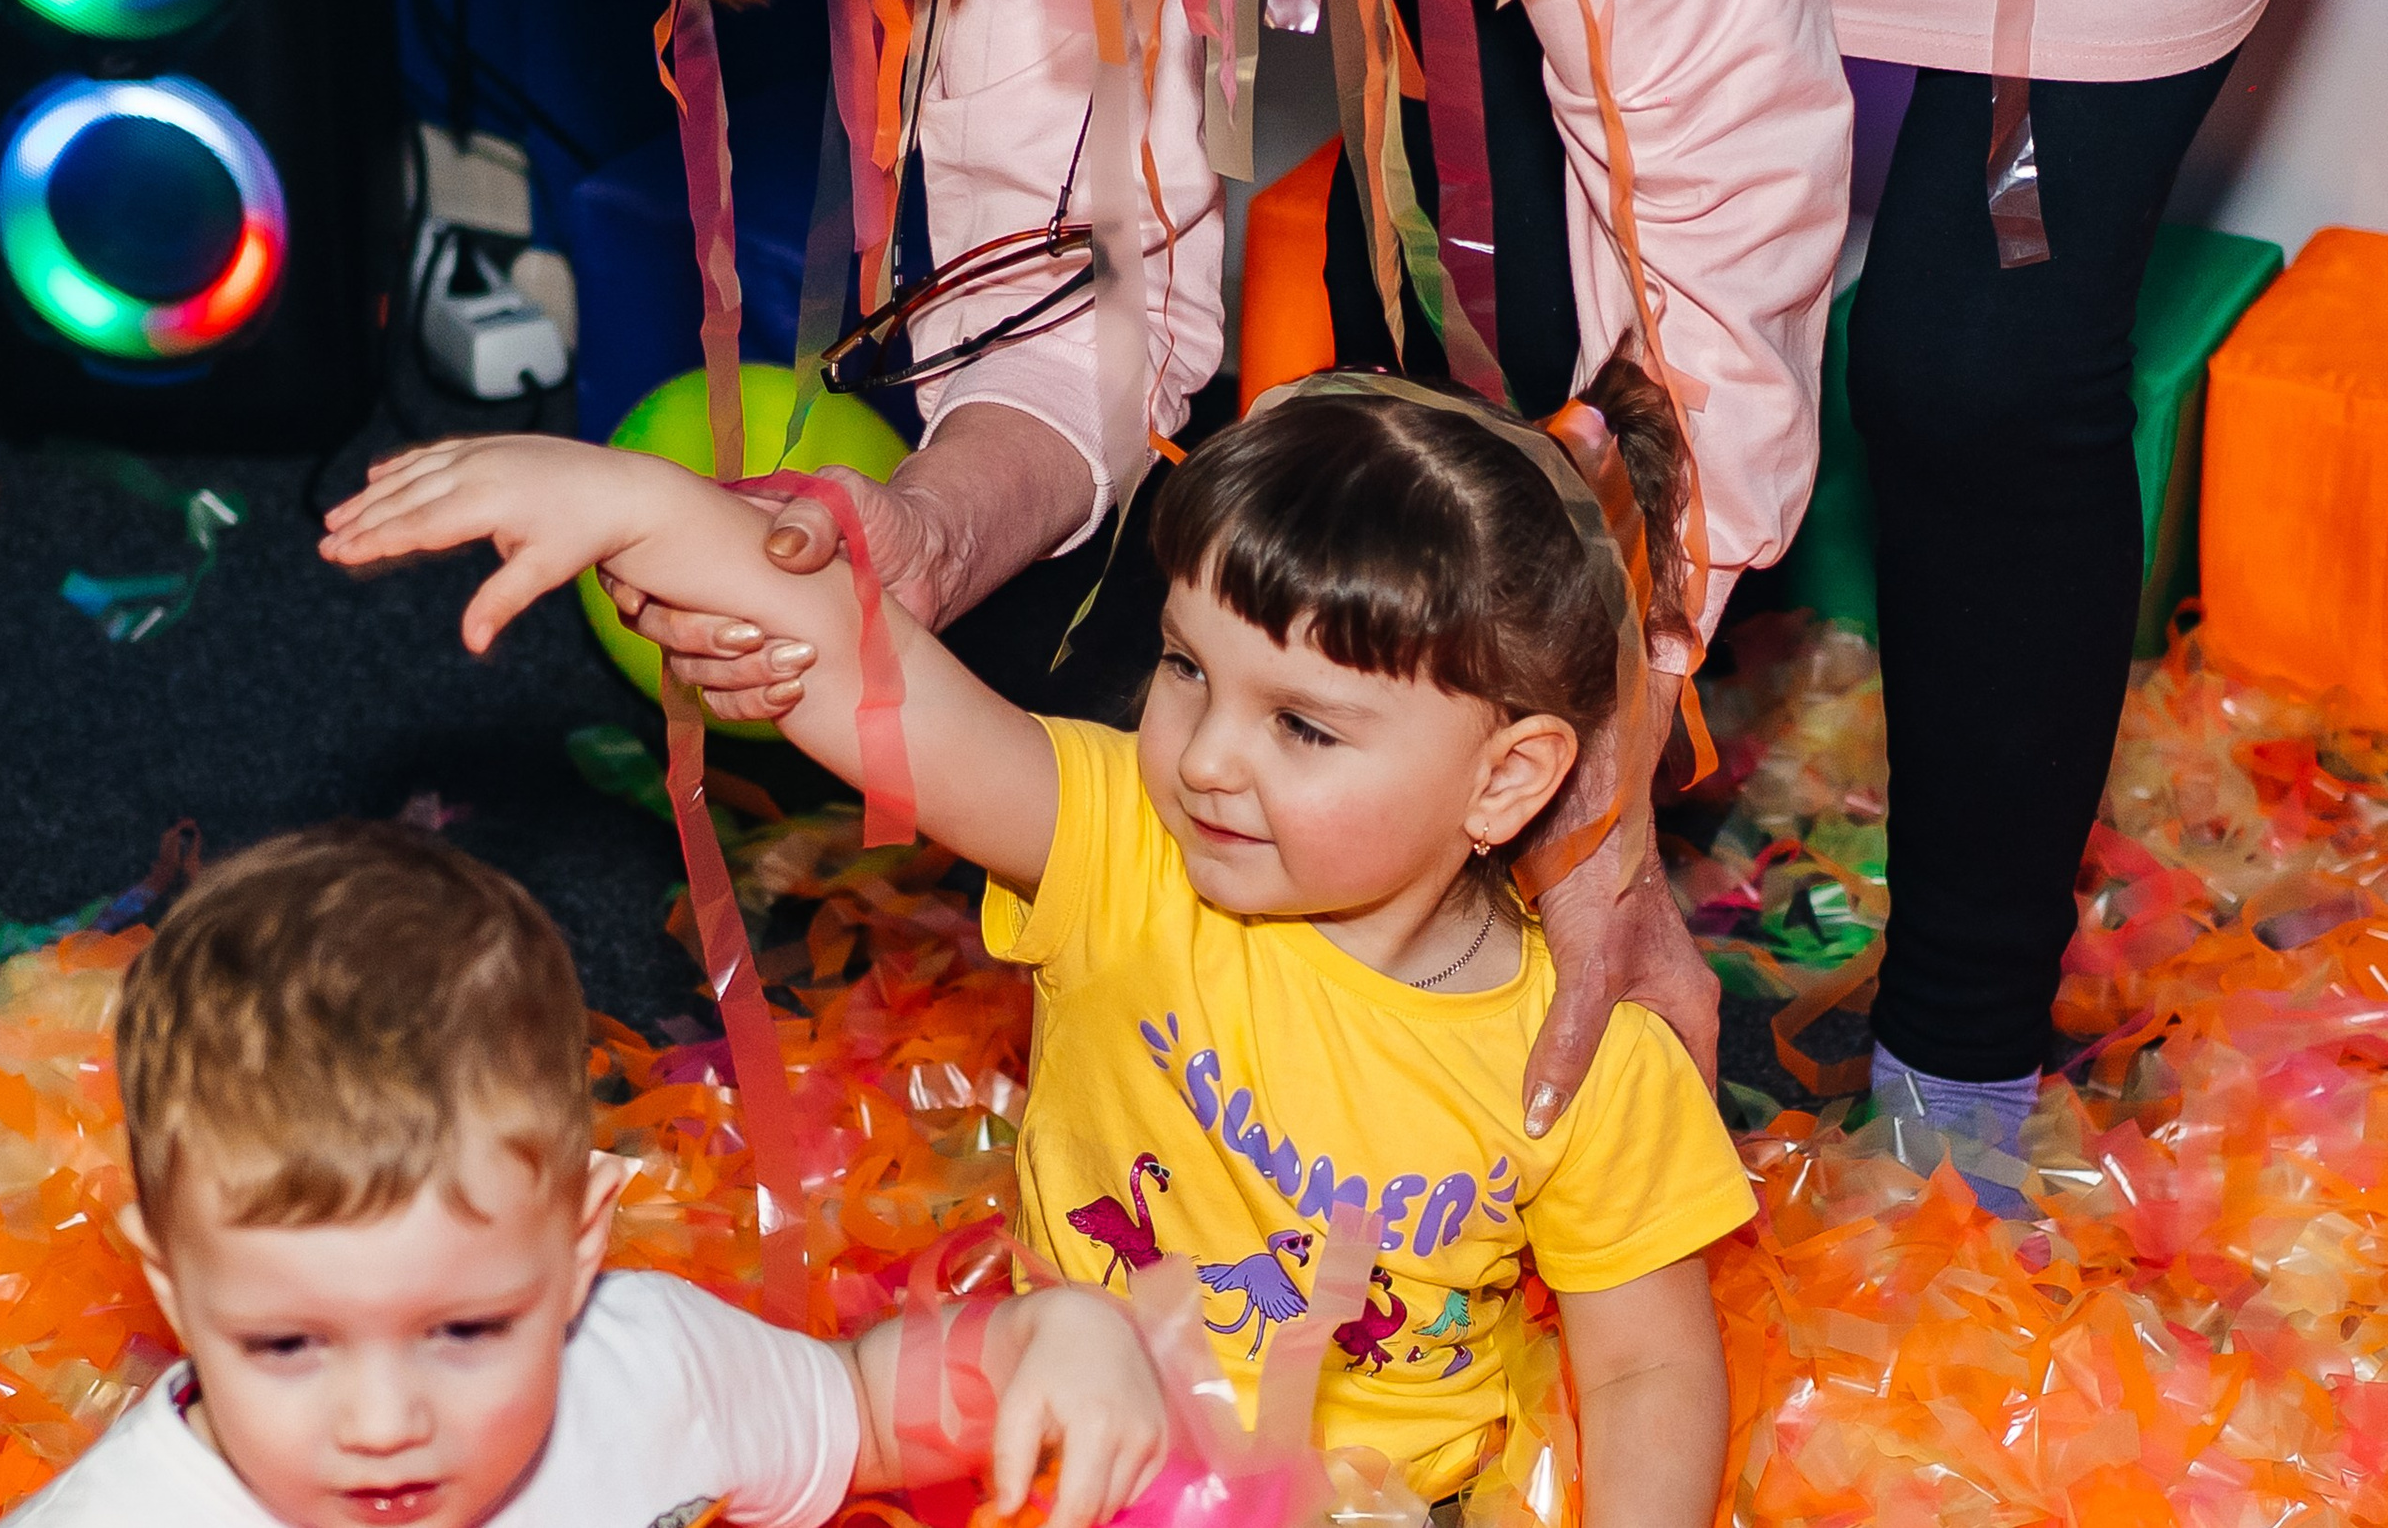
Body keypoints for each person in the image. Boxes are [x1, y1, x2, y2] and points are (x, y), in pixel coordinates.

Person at [562, 0, 2337, 1176]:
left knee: (1974, 368)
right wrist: (923, 535)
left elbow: (1711, 268)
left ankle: (1966, 1075)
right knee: (1455, 335)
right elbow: (1076, 288)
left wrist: (1606, 798)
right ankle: (1419, 1005)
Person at [317, 355, 1756, 1519]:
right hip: (1068, 1441)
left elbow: (1645, 1367)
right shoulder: (1127, 849)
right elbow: (867, 670)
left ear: (1507, 777)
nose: (1203, 758)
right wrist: (629, 500)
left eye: (1303, 723)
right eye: (1190, 669)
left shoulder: (1582, 1050)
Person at [6, 823, 1167, 1528]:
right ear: (169, 1284)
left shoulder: (645, 1369)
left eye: (463, 1331)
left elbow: (855, 1413)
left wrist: (1042, 1340)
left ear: (577, 1248)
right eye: (288, 1346)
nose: (382, 1422)